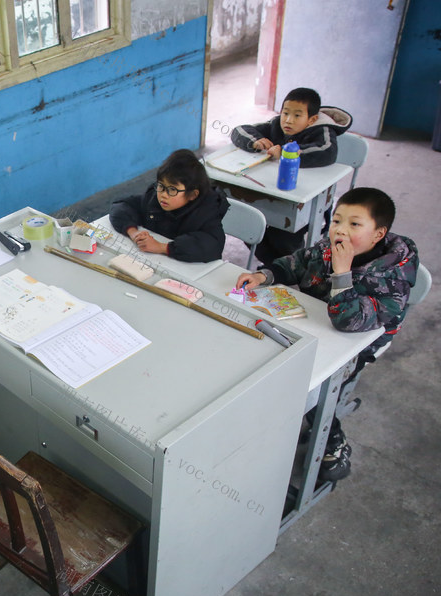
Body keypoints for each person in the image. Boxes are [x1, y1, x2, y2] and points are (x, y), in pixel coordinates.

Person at [235, 187, 418, 481]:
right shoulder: (327, 247)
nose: (340, 231)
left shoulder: (390, 275)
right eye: (336, 221)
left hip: (359, 341)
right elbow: (296, 263)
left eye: (354, 224)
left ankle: (332, 441)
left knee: (313, 383)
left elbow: (350, 321)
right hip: (316, 323)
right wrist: (264, 276)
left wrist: (342, 272)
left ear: (378, 234)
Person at [230, 87, 353, 264]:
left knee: (283, 237)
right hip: (274, 193)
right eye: (285, 113)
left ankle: (292, 267)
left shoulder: (322, 131)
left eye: (297, 115)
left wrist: (288, 153)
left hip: (304, 200)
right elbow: (240, 130)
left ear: (312, 119)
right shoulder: (276, 125)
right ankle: (278, 267)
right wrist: (255, 142)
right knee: (251, 226)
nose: (288, 120)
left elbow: (327, 151)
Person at [109, 148, 229, 263]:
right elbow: (121, 206)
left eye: (172, 190)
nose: (163, 195)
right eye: (161, 186)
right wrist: (134, 233)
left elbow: (212, 246)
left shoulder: (205, 213)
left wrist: (162, 247)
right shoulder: (153, 200)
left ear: (192, 194)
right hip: (151, 262)